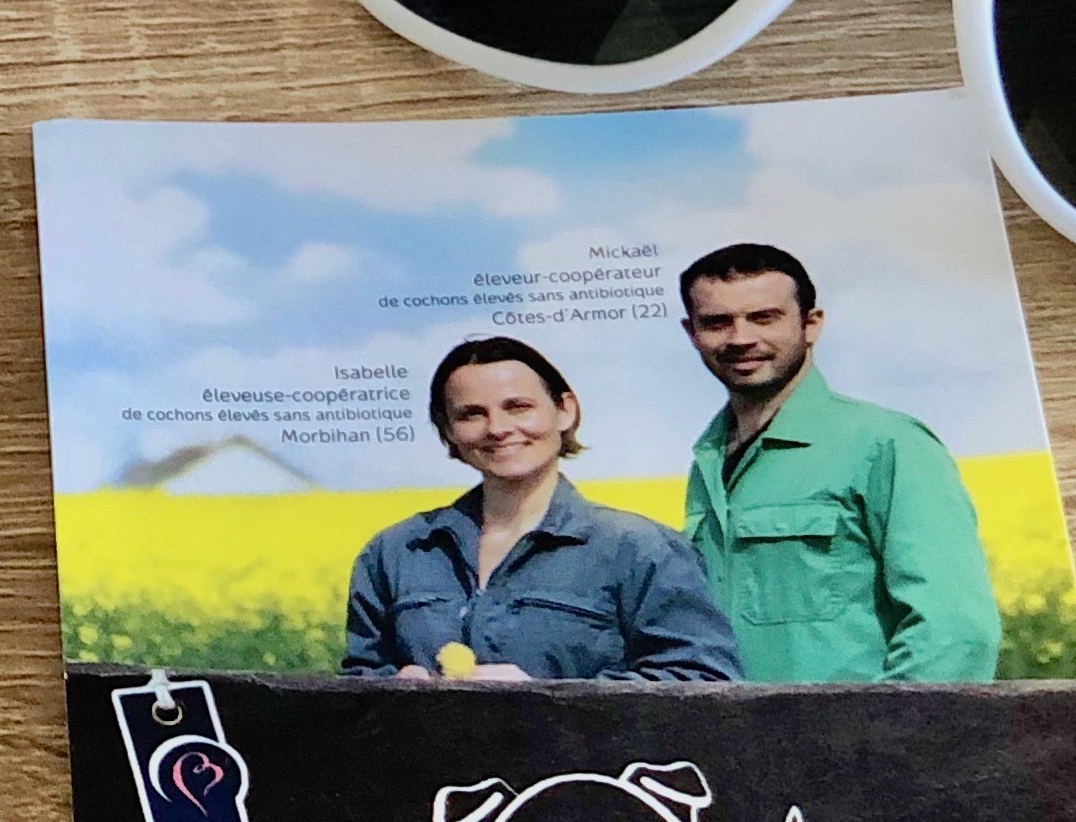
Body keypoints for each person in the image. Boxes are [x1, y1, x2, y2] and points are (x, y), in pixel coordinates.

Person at [676, 244, 999, 682]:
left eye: (764, 318)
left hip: (853, 726)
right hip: (731, 724)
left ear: (811, 325)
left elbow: (955, 633)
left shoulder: (887, 444)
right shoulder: (709, 459)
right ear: (691, 332)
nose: (740, 338)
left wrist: (885, 726)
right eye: (717, 323)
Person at [343, 336, 738, 682]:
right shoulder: (396, 552)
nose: (497, 428)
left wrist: (544, 699)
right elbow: (356, 689)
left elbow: (702, 680)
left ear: (565, 410)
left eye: (518, 407)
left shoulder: (640, 549)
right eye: (471, 414)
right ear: (447, 429)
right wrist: (391, 689)